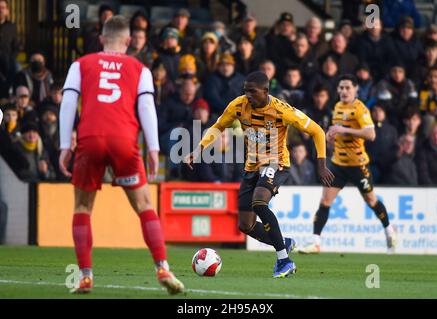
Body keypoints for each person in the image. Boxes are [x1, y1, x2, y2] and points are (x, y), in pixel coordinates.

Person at [58, 16, 184, 295]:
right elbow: (148, 108)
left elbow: (67, 103)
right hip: (124, 140)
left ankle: (86, 276)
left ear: (102, 39)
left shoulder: (81, 64)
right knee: (144, 205)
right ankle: (162, 266)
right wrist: (153, 148)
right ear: (129, 41)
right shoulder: (140, 68)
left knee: (82, 207)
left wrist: (64, 145)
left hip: (90, 137)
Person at [184, 71, 334, 278]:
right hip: (251, 167)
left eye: (252, 92)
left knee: (259, 202)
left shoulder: (282, 110)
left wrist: (321, 165)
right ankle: (284, 243)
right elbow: (218, 126)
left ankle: (284, 261)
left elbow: (317, 131)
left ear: (265, 91)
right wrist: (198, 149)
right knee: (245, 225)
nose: (248, 96)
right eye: (246, 91)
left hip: (277, 163)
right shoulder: (238, 105)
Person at [299, 74, 397, 255]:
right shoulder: (337, 107)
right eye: (341, 88)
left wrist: (342, 129)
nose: (344, 91)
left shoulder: (361, 110)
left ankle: (389, 229)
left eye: (347, 88)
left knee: (371, 200)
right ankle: (315, 242)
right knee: (325, 201)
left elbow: (371, 134)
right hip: (338, 164)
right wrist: (331, 137)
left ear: (355, 89)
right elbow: (339, 134)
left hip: (358, 164)